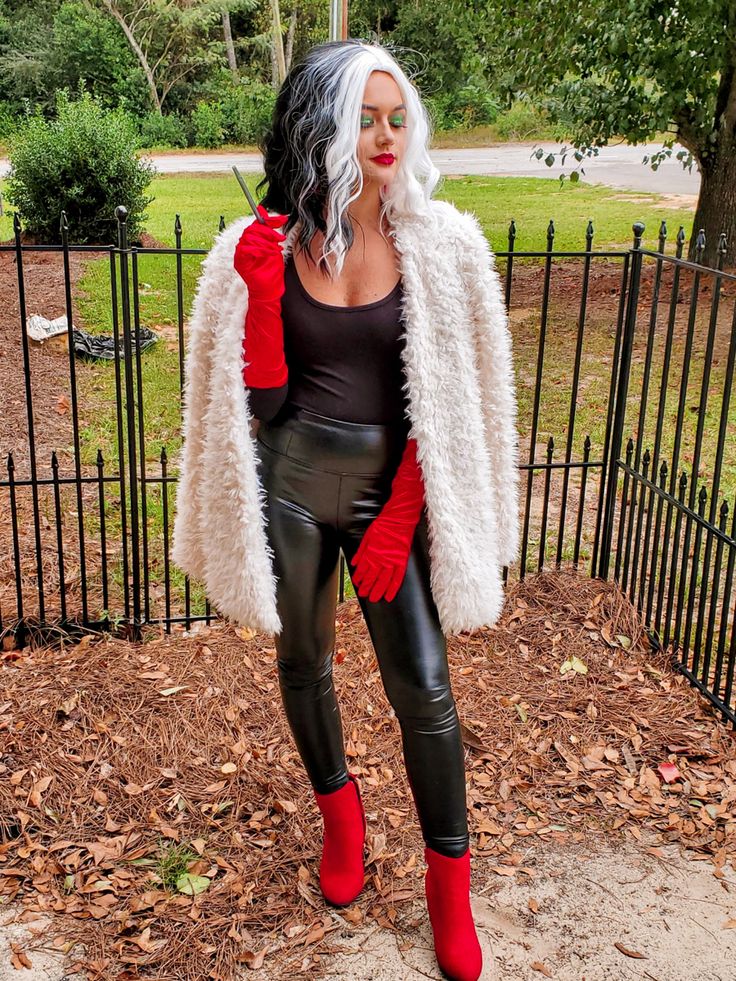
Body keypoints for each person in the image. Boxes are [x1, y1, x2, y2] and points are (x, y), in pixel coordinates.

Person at [172, 38, 520, 981]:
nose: (384, 134)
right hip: (287, 486)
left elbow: (445, 404)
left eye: (396, 116)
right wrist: (258, 299)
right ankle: (342, 819)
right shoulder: (267, 243)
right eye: (364, 117)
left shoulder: (440, 244)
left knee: (427, 689)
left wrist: (402, 513)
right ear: (323, 124)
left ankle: (451, 890)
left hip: (385, 497)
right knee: (303, 659)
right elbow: (258, 410)